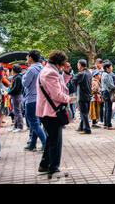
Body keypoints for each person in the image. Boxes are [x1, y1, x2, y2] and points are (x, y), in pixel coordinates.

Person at [36, 50, 77, 179]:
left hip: (46, 111)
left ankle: (44, 164)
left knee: (50, 140)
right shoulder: (50, 73)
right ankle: (53, 169)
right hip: (51, 112)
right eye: (64, 62)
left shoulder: (49, 70)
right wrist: (69, 99)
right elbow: (57, 94)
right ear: (59, 62)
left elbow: (60, 85)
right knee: (55, 142)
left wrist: (66, 72)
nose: (65, 64)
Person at [22, 50, 46, 151]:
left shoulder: (31, 69)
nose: (26, 59)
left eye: (27, 57)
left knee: (34, 123)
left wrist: (23, 77)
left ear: (31, 58)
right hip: (40, 98)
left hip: (31, 99)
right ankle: (32, 143)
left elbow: (25, 83)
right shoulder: (42, 68)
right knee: (36, 123)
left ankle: (45, 143)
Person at [70, 59, 92, 134]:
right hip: (88, 94)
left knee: (83, 113)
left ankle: (87, 129)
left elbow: (72, 81)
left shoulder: (81, 74)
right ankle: (81, 126)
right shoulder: (89, 73)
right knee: (85, 112)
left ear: (80, 65)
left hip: (82, 95)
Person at [7, 64, 24, 132]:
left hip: (17, 95)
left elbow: (16, 88)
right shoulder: (17, 77)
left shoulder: (18, 77)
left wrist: (8, 92)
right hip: (15, 95)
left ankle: (19, 126)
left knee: (17, 111)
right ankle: (16, 125)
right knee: (16, 111)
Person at [101, 61, 115, 130]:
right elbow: (110, 85)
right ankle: (108, 125)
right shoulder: (106, 75)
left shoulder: (104, 74)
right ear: (107, 68)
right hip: (107, 92)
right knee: (108, 109)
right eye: (111, 67)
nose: (112, 68)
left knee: (107, 108)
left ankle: (105, 123)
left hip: (105, 92)